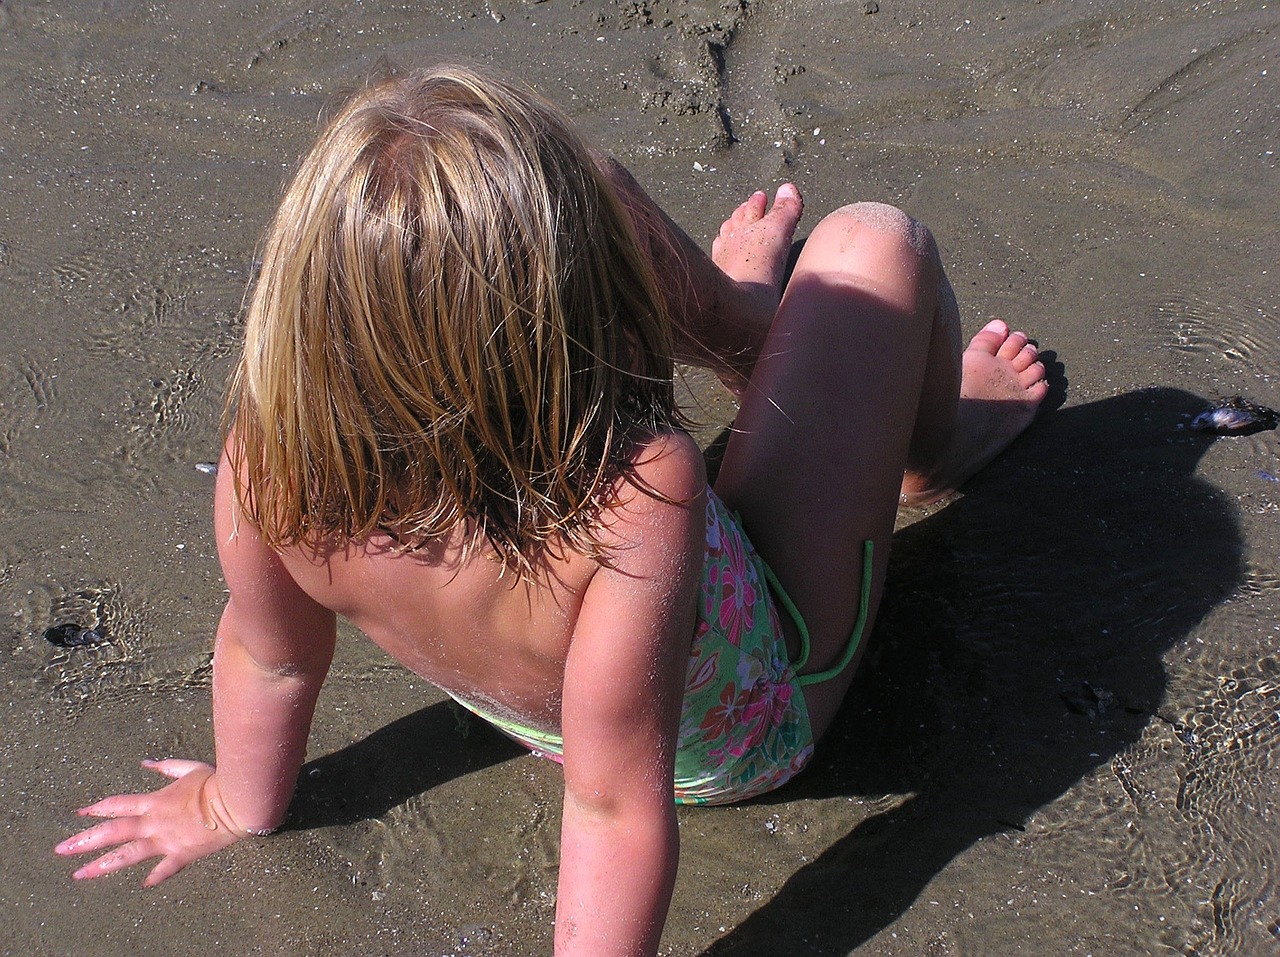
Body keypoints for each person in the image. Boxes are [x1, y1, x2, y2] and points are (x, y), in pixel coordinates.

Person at [55, 65, 1049, 955]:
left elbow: (271, 655)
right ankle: (918, 434)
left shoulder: (266, 464)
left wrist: (235, 804)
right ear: (579, 305)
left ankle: (740, 310)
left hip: (549, 709)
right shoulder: (638, 488)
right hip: (751, 718)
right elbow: (615, 808)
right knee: (872, 247)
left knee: (578, 189)